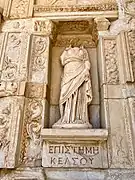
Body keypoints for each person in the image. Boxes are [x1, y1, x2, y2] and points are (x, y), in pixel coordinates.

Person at [52, 46, 92, 129]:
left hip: (80, 72)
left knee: (79, 94)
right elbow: (62, 61)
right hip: (68, 74)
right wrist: (66, 51)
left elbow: (87, 61)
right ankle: (65, 117)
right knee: (63, 95)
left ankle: (79, 118)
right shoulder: (66, 50)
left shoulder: (83, 50)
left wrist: (86, 70)